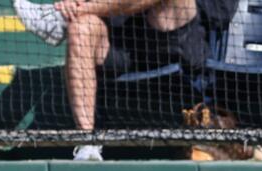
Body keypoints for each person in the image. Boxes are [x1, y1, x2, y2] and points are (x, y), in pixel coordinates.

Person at [13, 0, 208, 160]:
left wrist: (81, 8)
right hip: (123, 40)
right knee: (80, 28)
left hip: (173, 42)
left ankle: (62, 18)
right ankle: (87, 143)